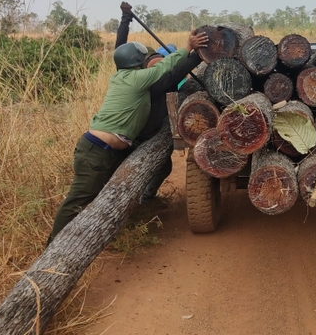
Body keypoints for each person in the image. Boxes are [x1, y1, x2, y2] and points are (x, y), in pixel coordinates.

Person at [47, 16, 207, 244]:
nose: (150, 64)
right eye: (147, 60)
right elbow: (167, 69)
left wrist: (125, 21)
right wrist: (190, 48)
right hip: (97, 151)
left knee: (106, 193)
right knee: (78, 200)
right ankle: (53, 247)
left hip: (107, 150)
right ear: (139, 63)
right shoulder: (138, 79)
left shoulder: (121, 74)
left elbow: (122, 50)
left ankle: (112, 224)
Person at [114, 1, 203, 203]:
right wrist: (198, 53)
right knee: (140, 169)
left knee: (162, 167)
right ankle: (141, 199)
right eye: (153, 65)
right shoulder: (151, 81)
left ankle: (146, 199)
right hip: (133, 134)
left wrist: (125, 19)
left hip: (139, 133)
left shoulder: (134, 76)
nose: (157, 67)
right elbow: (179, 70)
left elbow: (120, 51)